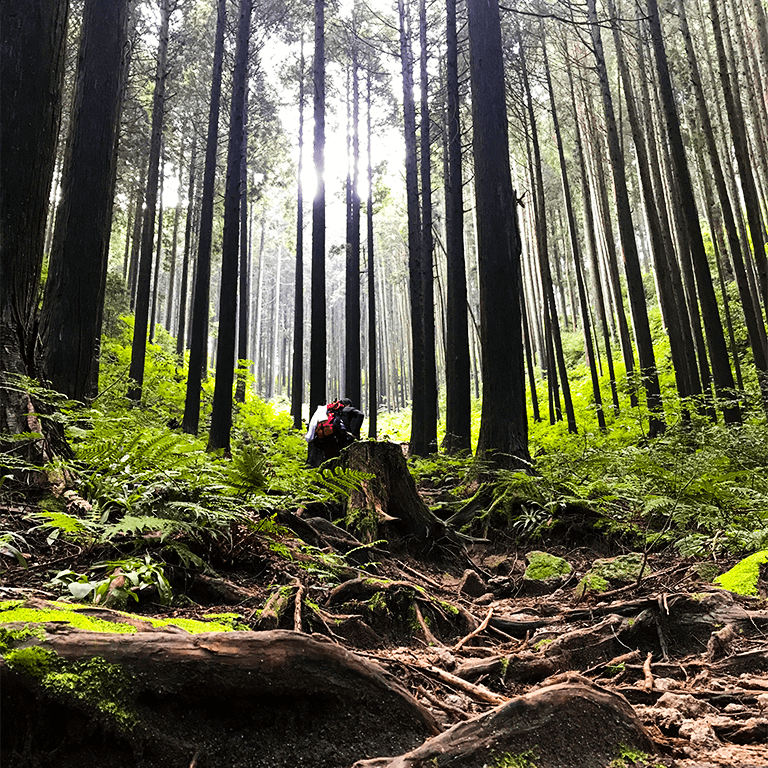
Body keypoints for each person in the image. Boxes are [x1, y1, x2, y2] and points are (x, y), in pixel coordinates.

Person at [305, 397, 364, 467]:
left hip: (329, 439)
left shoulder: (330, 412)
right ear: (347, 405)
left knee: (330, 462)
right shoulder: (347, 409)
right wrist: (354, 433)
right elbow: (360, 414)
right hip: (343, 440)